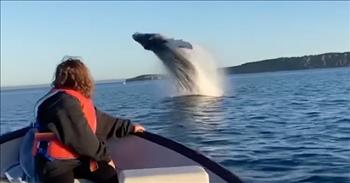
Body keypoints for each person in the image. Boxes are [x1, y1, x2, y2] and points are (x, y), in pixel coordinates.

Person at [34, 57, 145, 183]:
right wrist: (106, 158)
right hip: (55, 165)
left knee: (108, 174)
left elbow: (100, 120)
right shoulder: (64, 103)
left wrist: (128, 127)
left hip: (77, 160)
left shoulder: (74, 98)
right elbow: (82, 139)